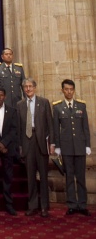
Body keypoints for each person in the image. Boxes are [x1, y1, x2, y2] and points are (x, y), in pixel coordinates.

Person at [17, 77, 55, 217]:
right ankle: (32, 205)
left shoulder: (44, 102)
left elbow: (50, 124)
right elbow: (19, 128)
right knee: (30, 176)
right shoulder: (20, 105)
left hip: (41, 142)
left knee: (43, 176)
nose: (28, 89)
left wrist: (52, 143)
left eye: (30, 86)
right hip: (27, 142)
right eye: (25, 86)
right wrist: (20, 146)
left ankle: (44, 206)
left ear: (35, 87)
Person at [53, 79, 91, 216]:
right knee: (69, 177)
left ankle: (82, 204)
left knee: (81, 177)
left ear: (73, 90)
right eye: (66, 89)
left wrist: (87, 145)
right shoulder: (57, 107)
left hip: (80, 146)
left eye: (71, 89)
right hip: (66, 146)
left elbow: (85, 127)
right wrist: (57, 146)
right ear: (62, 90)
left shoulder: (81, 106)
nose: (69, 92)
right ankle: (71, 204)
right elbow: (56, 129)